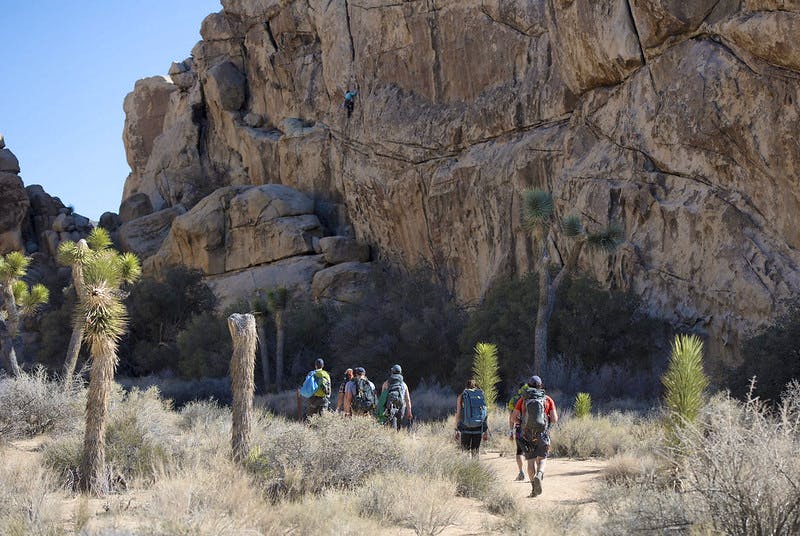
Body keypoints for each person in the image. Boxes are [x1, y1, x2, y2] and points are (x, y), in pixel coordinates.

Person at [509, 375, 558, 497]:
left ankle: (533, 490)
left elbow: (512, 418)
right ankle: (540, 474)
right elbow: (554, 419)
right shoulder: (547, 399)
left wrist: (520, 422)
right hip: (542, 433)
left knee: (530, 461)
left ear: (529, 386)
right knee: (542, 458)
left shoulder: (523, 399)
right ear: (540, 386)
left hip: (526, 434)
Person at [454, 379, 488, 457]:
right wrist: (485, 431)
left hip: (465, 427)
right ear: (476, 386)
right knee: (475, 452)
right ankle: (476, 468)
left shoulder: (462, 396)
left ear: (466, 386)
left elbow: (458, 413)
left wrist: (456, 429)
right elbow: (485, 413)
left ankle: (467, 469)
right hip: (478, 427)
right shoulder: (480, 395)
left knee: (465, 452)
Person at [507, 381, 529, 481]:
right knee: (532, 451)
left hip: (520, 429)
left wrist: (511, 432)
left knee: (519, 451)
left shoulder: (514, 400)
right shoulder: (533, 398)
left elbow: (511, 418)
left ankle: (521, 473)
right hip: (533, 429)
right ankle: (535, 474)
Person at [380, 364, 412, 430]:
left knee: (391, 425)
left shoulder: (386, 383)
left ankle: (393, 437)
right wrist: (409, 411)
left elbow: (382, 398)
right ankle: (398, 435)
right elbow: (407, 399)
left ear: (392, 372)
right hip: (401, 405)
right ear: (400, 372)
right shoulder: (403, 384)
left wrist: (381, 410)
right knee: (399, 425)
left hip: (390, 405)